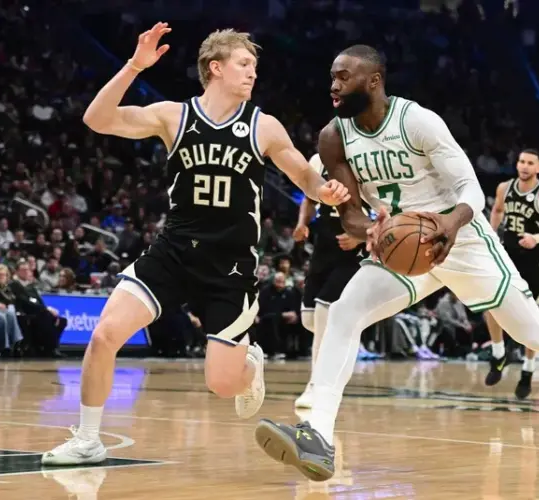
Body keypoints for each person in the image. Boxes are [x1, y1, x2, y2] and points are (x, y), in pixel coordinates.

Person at [254, 45, 539, 481]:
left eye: (344, 76)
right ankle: (317, 433)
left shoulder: (417, 122)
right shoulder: (333, 137)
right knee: (345, 310)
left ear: (375, 80)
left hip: (461, 240)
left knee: (537, 332)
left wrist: (449, 224)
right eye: (332, 76)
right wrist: (372, 230)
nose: (334, 84)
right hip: (402, 246)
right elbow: (349, 216)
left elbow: (470, 191)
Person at [41, 24, 349, 466]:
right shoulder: (173, 115)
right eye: (244, 64)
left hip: (231, 267)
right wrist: (134, 66)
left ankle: (250, 365)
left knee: (223, 384)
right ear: (215, 67)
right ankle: (88, 439)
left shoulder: (263, 126)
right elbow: (97, 119)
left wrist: (327, 193)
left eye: (255, 67)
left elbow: (304, 177)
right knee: (105, 334)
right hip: (174, 251)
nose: (252, 74)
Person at [483, 150, 539, 399]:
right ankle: (499, 354)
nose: (524, 166)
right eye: (521, 161)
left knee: (530, 318)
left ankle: (528, 369)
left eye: (530, 163)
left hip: (534, 260)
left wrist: (538, 237)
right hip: (507, 254)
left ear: (538, 168)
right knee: (489, 300)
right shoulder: (504, 187)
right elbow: (498, 210)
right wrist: (491, 233)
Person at [293, 153, 365, 408]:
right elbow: (309, 198)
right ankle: (342, 338)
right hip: (323, 242)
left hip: (352, 248)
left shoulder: (366, 159)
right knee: (310, 319)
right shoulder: (319, 159)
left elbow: (383, 208)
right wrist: (303, 223)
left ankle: (316, 386)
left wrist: (362, 237)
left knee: (324, 313)